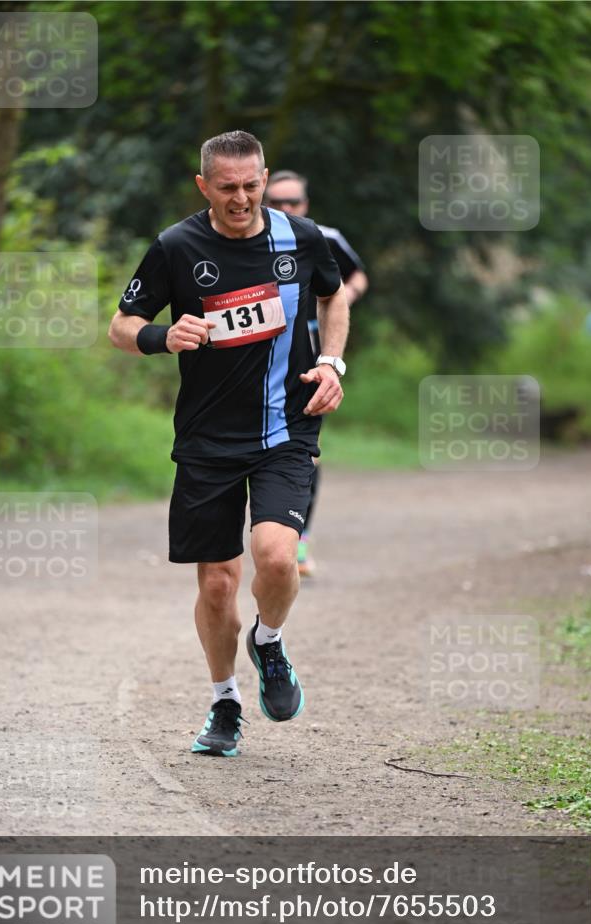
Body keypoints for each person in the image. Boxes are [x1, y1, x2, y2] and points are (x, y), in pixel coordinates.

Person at [108, 131, 349, 757]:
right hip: (207, 438)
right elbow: (121, 325)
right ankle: (224, 703)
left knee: (276, 558)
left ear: (264, 178)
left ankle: (268, 642)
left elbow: (336, 293)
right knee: (216, 585)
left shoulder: (301, 237)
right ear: (203, 186)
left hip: (284, 431)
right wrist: (165, 336)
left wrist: (332, 363)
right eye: (226, 188)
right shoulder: (177, 246)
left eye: (251, 185)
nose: (240, 198)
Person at [264, 170, 367, 575]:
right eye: (278, 203)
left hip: (310, 353)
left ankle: (297, 540)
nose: (286, 210)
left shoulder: (323, 237)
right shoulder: (252, 241)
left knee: (306, 451)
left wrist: (343, 298)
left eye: (294, 203)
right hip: (260, 351)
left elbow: (356, 274)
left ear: (305, 206)